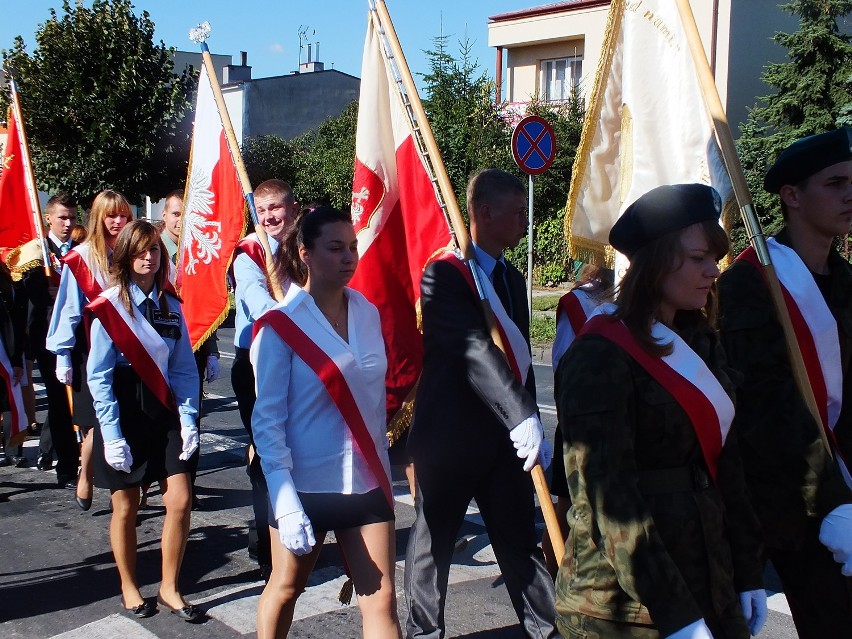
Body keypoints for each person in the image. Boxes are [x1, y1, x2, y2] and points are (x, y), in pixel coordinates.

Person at [553, 184, 766, 639]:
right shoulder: (601, 353)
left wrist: (748, 571)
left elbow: (728, 466)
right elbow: (610, 499)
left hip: (710, 582)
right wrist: (676, 615)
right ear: (654, 263)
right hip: (623, 608)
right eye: (697, 259)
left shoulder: (701, 341)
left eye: (715, 257)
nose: (714, 271)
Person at [404, 168, 557, 639]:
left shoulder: (510, 277)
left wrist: (527, 416)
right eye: (517, 212)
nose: (525, 222)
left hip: (503, 441)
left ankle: (548, 628)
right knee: (434, 546)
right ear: (485, 213)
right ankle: (425, 633)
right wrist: (523, 416)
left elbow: (520, 358)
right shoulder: (443, 273)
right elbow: (472, 348)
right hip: (450, 436)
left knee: (518, 539)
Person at [717, 128, 852, 638]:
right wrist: (835, 500)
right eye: (835, 183)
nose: (849, 195)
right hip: (794, 502)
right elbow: (766, 409)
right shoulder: (752, 286)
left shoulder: (843, 280)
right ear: (792, 197)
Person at [251, 206, 399, 638]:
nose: (348, 257)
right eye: (335, 248)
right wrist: (283, 497)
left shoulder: (367, 313)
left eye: (352, 247)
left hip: (365, 478)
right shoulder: (280, 326)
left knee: (382, 600)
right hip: (305, 485)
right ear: (306, 254)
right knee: (285, 586)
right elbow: (268, 420)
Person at [87, 220, 202, 621]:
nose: (148, 257)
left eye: (154, 250)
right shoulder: (110, 305)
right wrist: (111, 434)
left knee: (181, 499)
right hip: (125, 410)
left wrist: (189, 419)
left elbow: (185, 368)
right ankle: (129, 586)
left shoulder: (172, 306)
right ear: (125, 255)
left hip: (164, 409)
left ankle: (171, 587)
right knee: (126, 506)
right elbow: (99, 376)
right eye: (140, 250)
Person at [231, 179, 299, 579]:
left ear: (291, 208)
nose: (270, 216)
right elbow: (258, 302)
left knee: (300, 447)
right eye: (262, 210)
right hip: (256, 360)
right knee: (267, 449)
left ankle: (299, 524)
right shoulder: (249, 253)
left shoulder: (303, 248)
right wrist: (293, 321)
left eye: (276, 207)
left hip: (300, 357)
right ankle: (266, 542)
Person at [46, 189, 132, 506]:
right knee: (98, 421)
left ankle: (125, 489)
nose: (118, 220)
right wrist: (63, 354)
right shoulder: (81, 257)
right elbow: (68, 308)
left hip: (129, 348)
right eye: (111, 215)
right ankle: (86, 473)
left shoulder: (133, 252)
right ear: (98, 218)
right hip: (89, 348)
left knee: (125, 416)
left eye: (123, 214)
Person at [542, 264, 614, 575]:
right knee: (567, 508)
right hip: (582, 425)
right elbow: (563, 365)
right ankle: (555, 579)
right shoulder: (578, 302)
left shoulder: (642, 293)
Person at [160, 189, 219, 510]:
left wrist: (210, 349)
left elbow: (204, 304)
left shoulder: (198, 253)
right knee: (154, 417)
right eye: (176, 213)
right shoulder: (152, 251)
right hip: (154, 350)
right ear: (165, 217)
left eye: (187, 214)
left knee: (189, 417)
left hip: (191, 347)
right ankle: (151, 478)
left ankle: (186, 481)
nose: (181, 221)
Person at [20, 193, 78, 483]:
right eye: (62, 218)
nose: (67, 224)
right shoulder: (35, 255)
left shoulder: (80, 251)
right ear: (48, 218)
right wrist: (48, 293)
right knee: (58, 400)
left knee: (81, 399)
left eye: (71, 218)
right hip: (49, 339)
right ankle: (67, 466)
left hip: (80, 336)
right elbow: (27, 300)